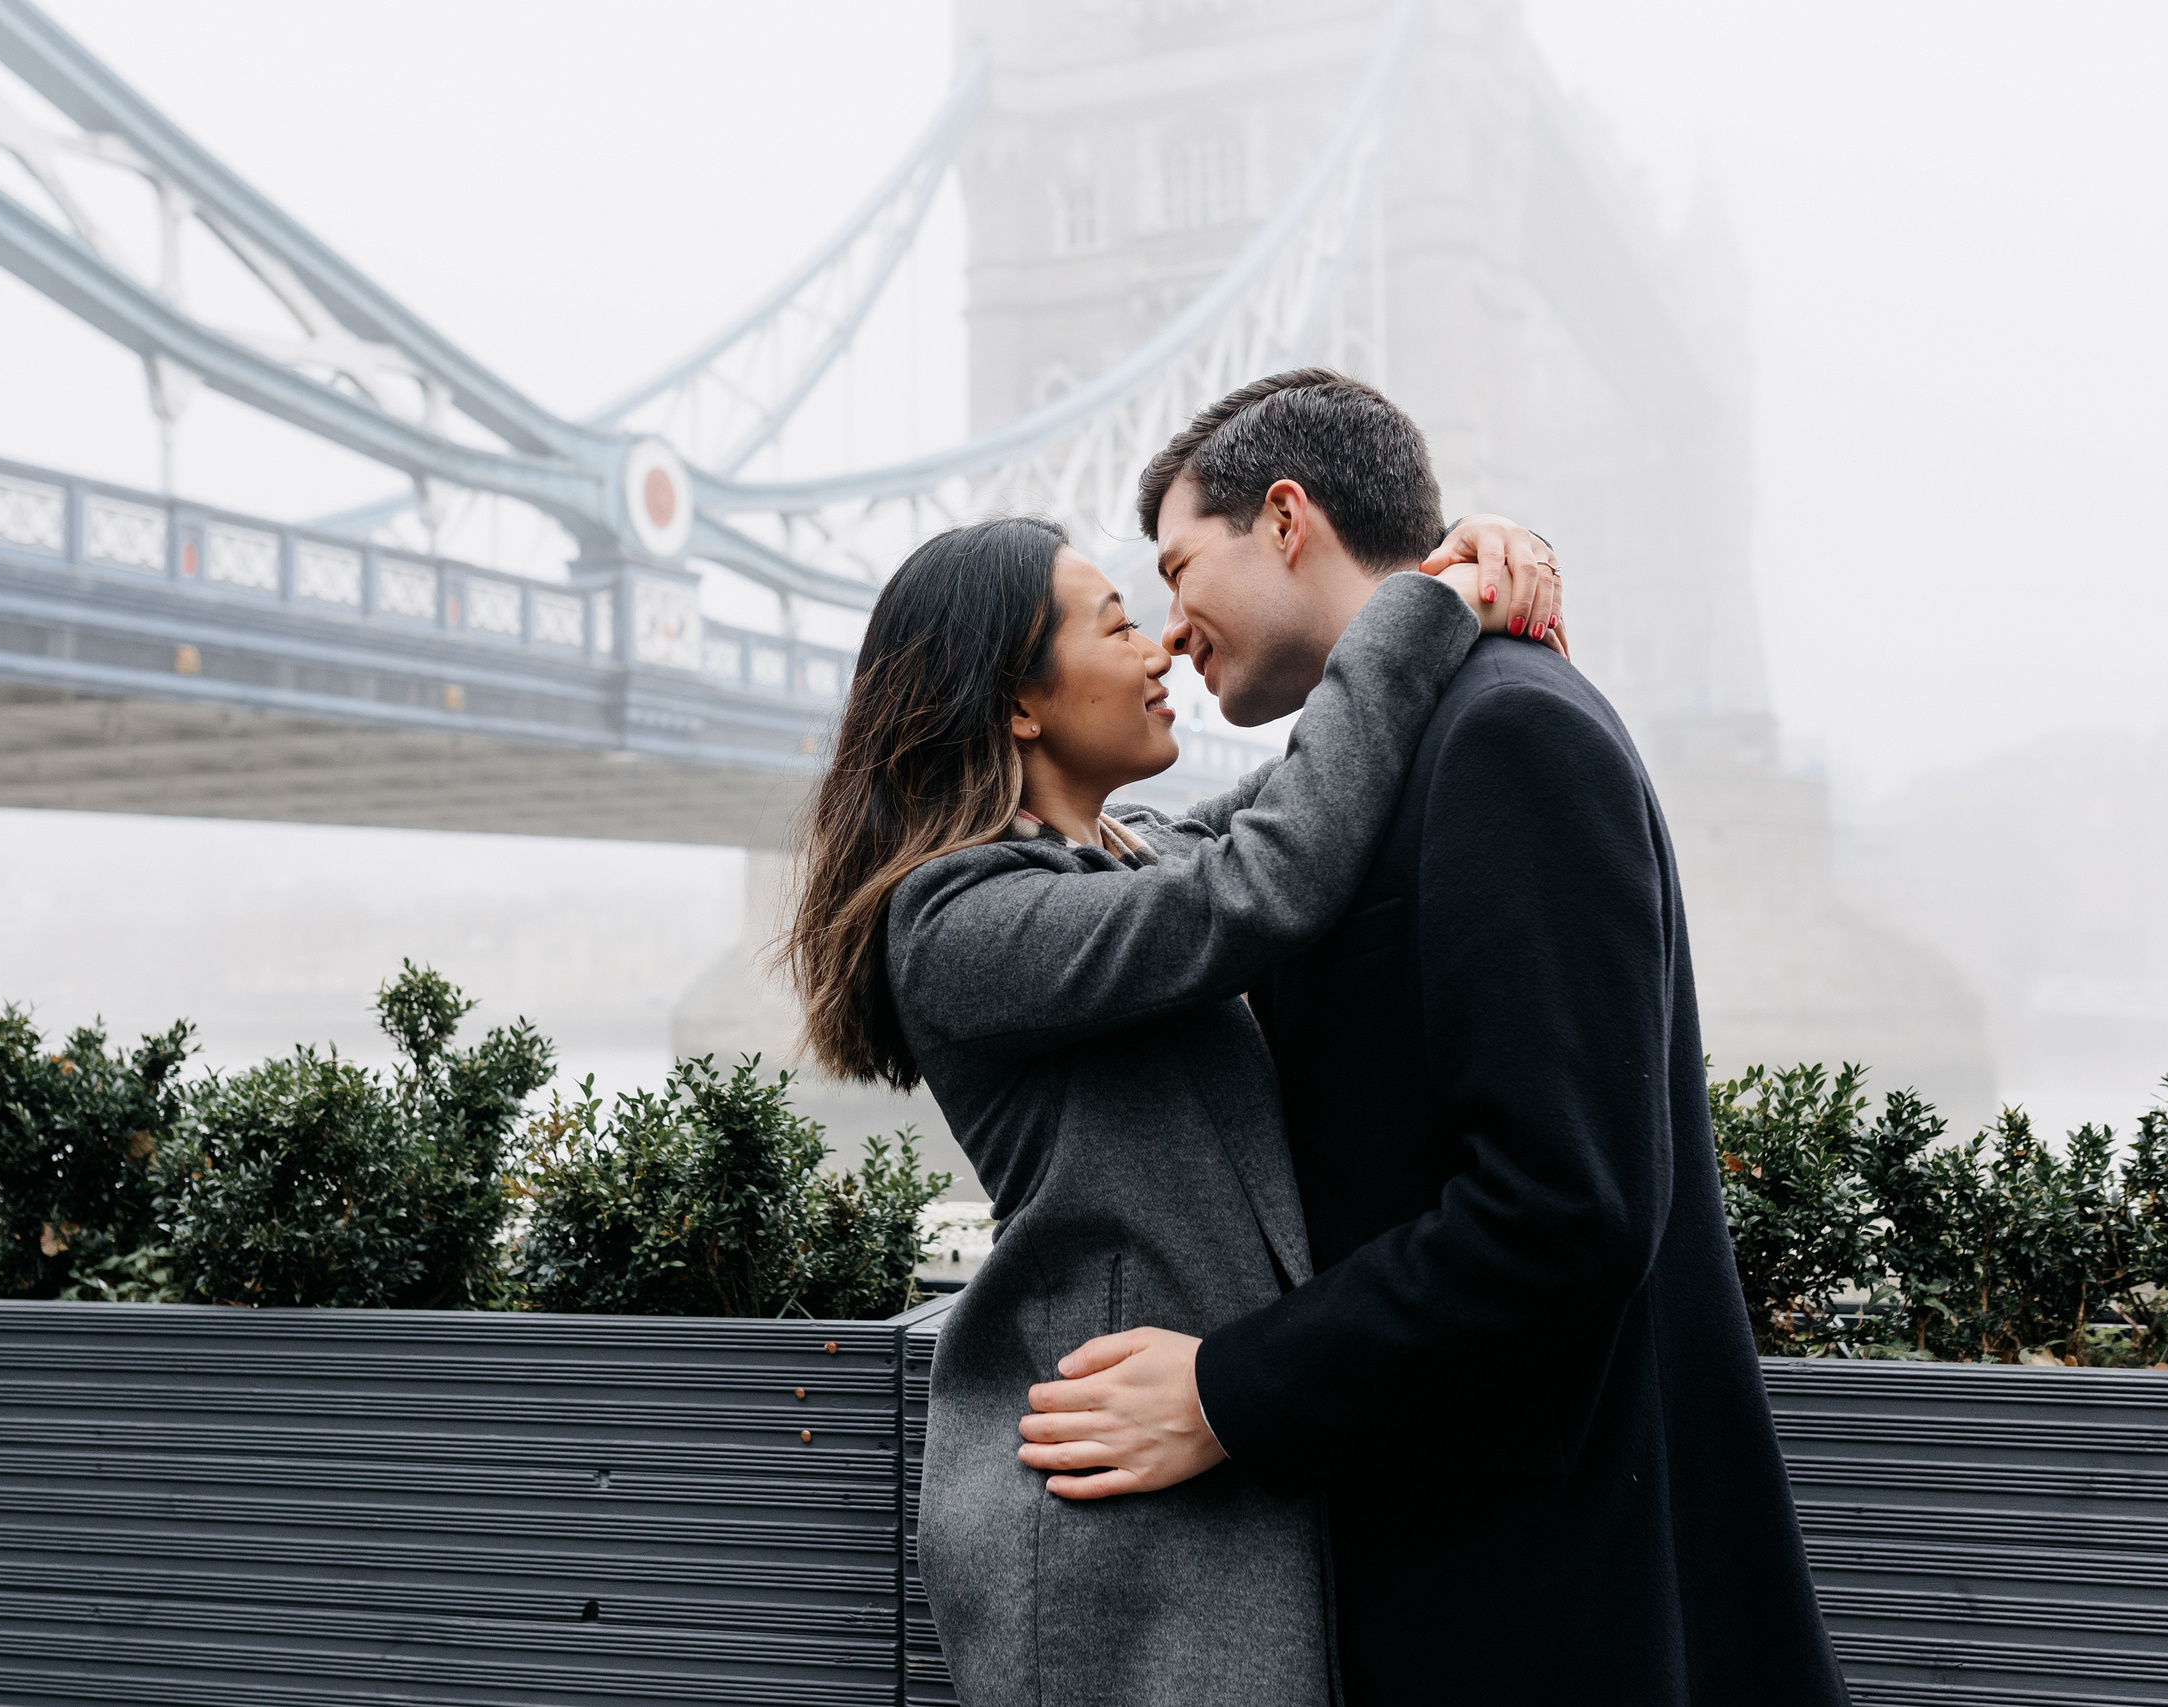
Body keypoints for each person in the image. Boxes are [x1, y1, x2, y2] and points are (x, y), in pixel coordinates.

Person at [1012, 369, 1850, 1705]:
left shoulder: (1511, 730)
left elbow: (1561, 1209)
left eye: (1180, 568)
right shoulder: (1387, 759)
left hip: (1547, 1599)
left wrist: (1229, 1390)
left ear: (1285, 519)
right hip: (1452, 1570)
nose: (1172, 631)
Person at [783, 506, 1556, 1706]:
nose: (1162, 651)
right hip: (1108, 1522)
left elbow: (1302, 793)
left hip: (1203, 1465)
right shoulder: (952, 923)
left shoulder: (1128, 853)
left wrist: (1456, 564)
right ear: (1018, 702)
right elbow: (1267, 882)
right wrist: (1425, 605)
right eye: (1117, 626)